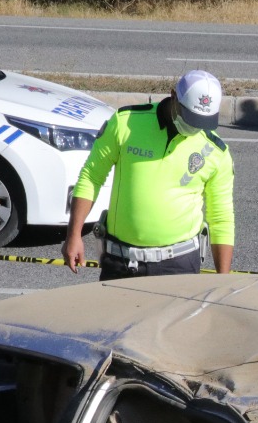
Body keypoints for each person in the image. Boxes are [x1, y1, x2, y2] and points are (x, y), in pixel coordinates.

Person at [63, 70, 236, 280]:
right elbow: (91, 177)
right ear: (173, 97)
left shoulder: (216, 151)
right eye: (189, 117)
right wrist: (73, 235)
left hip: (179, 265)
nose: (193, 127)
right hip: (121, 261)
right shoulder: (126, 123)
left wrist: (223, 281)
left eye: (201, 122)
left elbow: (221, 219)